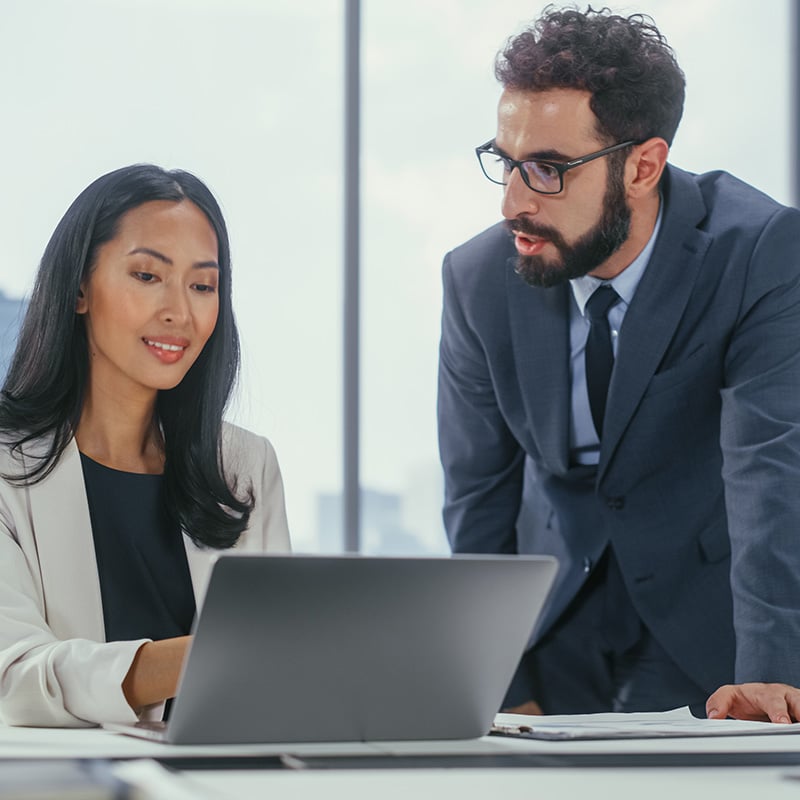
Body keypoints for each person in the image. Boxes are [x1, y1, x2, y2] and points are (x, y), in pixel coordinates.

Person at [437, 5, 800, 717]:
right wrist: (497, 681)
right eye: (506, 162)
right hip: (550, 617)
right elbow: (478, 496)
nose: (512, 203)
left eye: (547, 169)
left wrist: (772, 670)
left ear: (643, 166)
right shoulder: (477, 279)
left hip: (708, 622)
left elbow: (773, 471)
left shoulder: (758, 252)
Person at [0, 164, 290, 727]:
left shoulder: (244, 465)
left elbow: (275, 681)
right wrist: (217, 653)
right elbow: (16, 678)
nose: (179, 312)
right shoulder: (9, 466)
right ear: (79, 288)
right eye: (147, 275)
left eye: (202, 286)